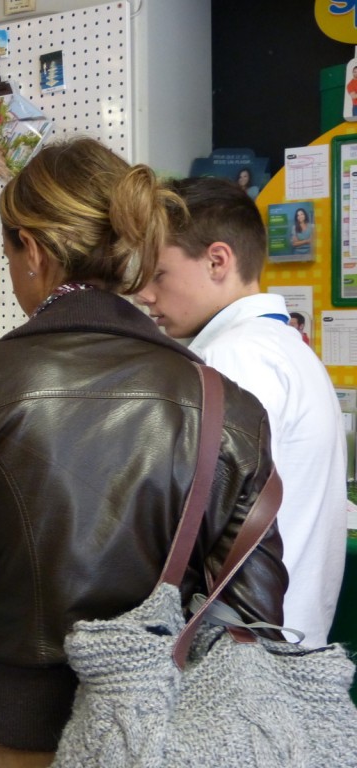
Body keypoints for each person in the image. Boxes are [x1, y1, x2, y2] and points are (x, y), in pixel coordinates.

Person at [0, 137, 288, 768]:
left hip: (30, 737)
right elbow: (254, 613)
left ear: (31, 248)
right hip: (174, 735)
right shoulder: (228, 404)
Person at [136, 176, 346, 649]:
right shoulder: (281, 346)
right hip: (280, 637)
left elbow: (196, 520)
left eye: (158, 274)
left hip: (242, 644)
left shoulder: (233, 360)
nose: (145, 294)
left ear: (217, 260)